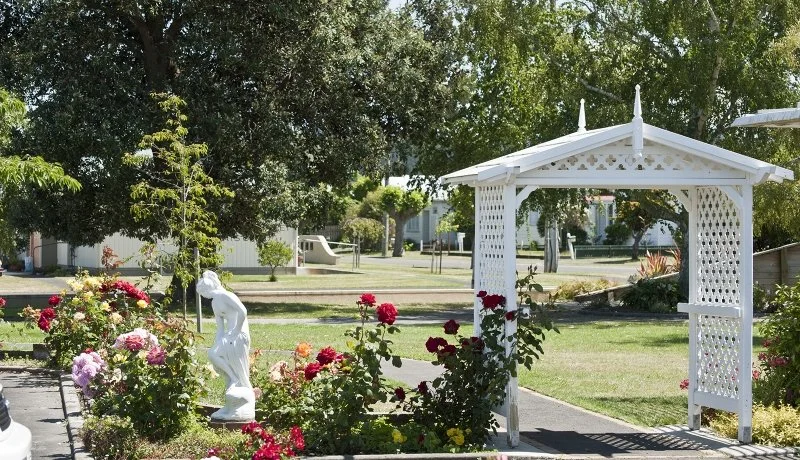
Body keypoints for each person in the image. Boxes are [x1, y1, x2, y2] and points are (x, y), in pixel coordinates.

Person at [196, 270, 255, 420]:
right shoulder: (215, 302)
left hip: (239, 335)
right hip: (228, 335)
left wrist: (235, 331)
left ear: (207, 289)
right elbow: (220, 328)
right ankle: (233, 379)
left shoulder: (226, 296)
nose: (203, 297)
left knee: (240, 366)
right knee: (213, 354)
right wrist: (217, 342)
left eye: (203, 293)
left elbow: (243, 311)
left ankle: (241, 390)